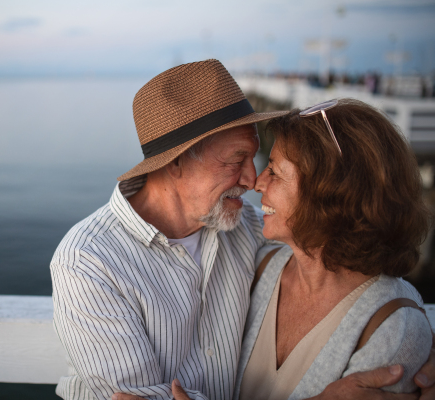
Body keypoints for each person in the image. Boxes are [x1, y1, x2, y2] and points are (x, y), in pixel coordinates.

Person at [51, 60, 435, 400]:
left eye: (257, 158)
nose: (253, 180)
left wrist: (414, 342)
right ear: (177, 162)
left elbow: (353, 275)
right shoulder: (89, 261)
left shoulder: (249, 230)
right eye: (237, 160)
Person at [234, 98, 433, 400]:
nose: (257, 183)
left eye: (273, 171)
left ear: (328, 192)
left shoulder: (394, 329)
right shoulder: (262, 265)